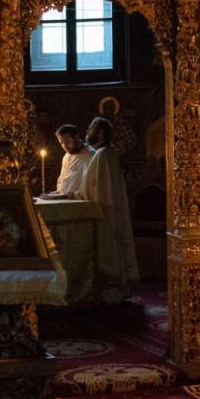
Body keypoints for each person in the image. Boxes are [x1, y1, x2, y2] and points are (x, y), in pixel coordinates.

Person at [79, 117, 139, 304]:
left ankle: (110, 291)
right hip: (111, 210)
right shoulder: (108, 153)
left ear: (101, 133)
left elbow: (97, 188)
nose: (89, 133)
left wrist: (77, 195)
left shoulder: (103, 155)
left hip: (106, 213)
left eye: (92, 129)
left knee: (108, 251)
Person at [43, 124, 95, 199]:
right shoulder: (66, 156)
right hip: (64, 199)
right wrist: (58, 193)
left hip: (80, 202)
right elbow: (62, 179)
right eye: (61, 143)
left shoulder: (91, 155)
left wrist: (73, 195)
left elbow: (91, 185)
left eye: (67, 142)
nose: (65, 146)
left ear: (76, 137)